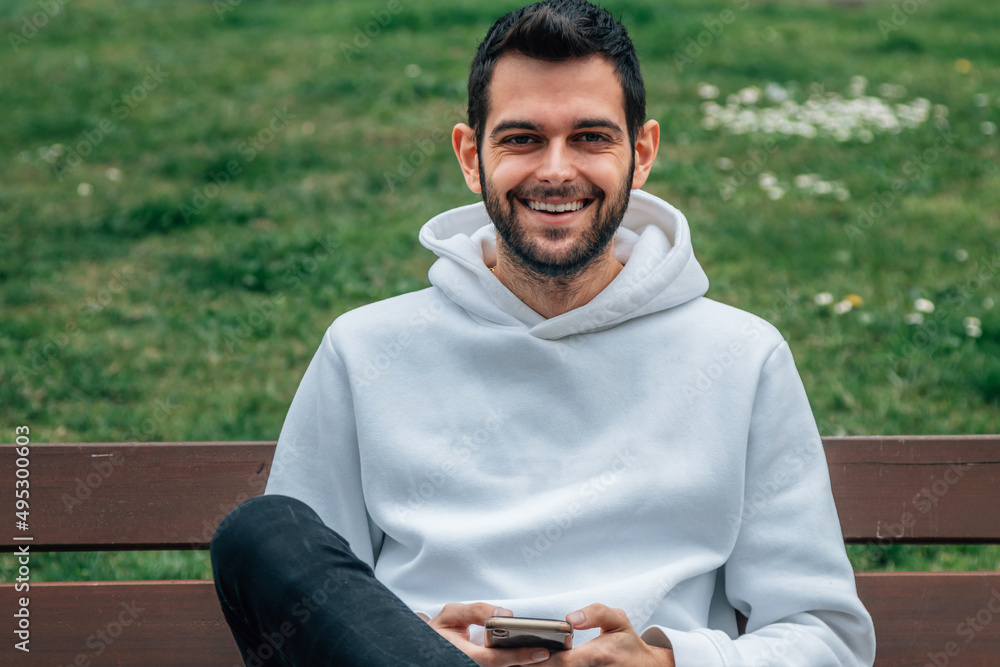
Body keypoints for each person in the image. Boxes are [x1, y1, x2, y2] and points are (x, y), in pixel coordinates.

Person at [210, 1, 877, 665]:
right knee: (263, 535)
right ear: (471, 157)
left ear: (641, 153)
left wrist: (663, 662)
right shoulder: (364, 349)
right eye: (522, 138)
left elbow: (828, 635)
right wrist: (415, 635)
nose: (557, 170)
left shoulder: (741, 356)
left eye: (590, 137)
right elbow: (314, 605)